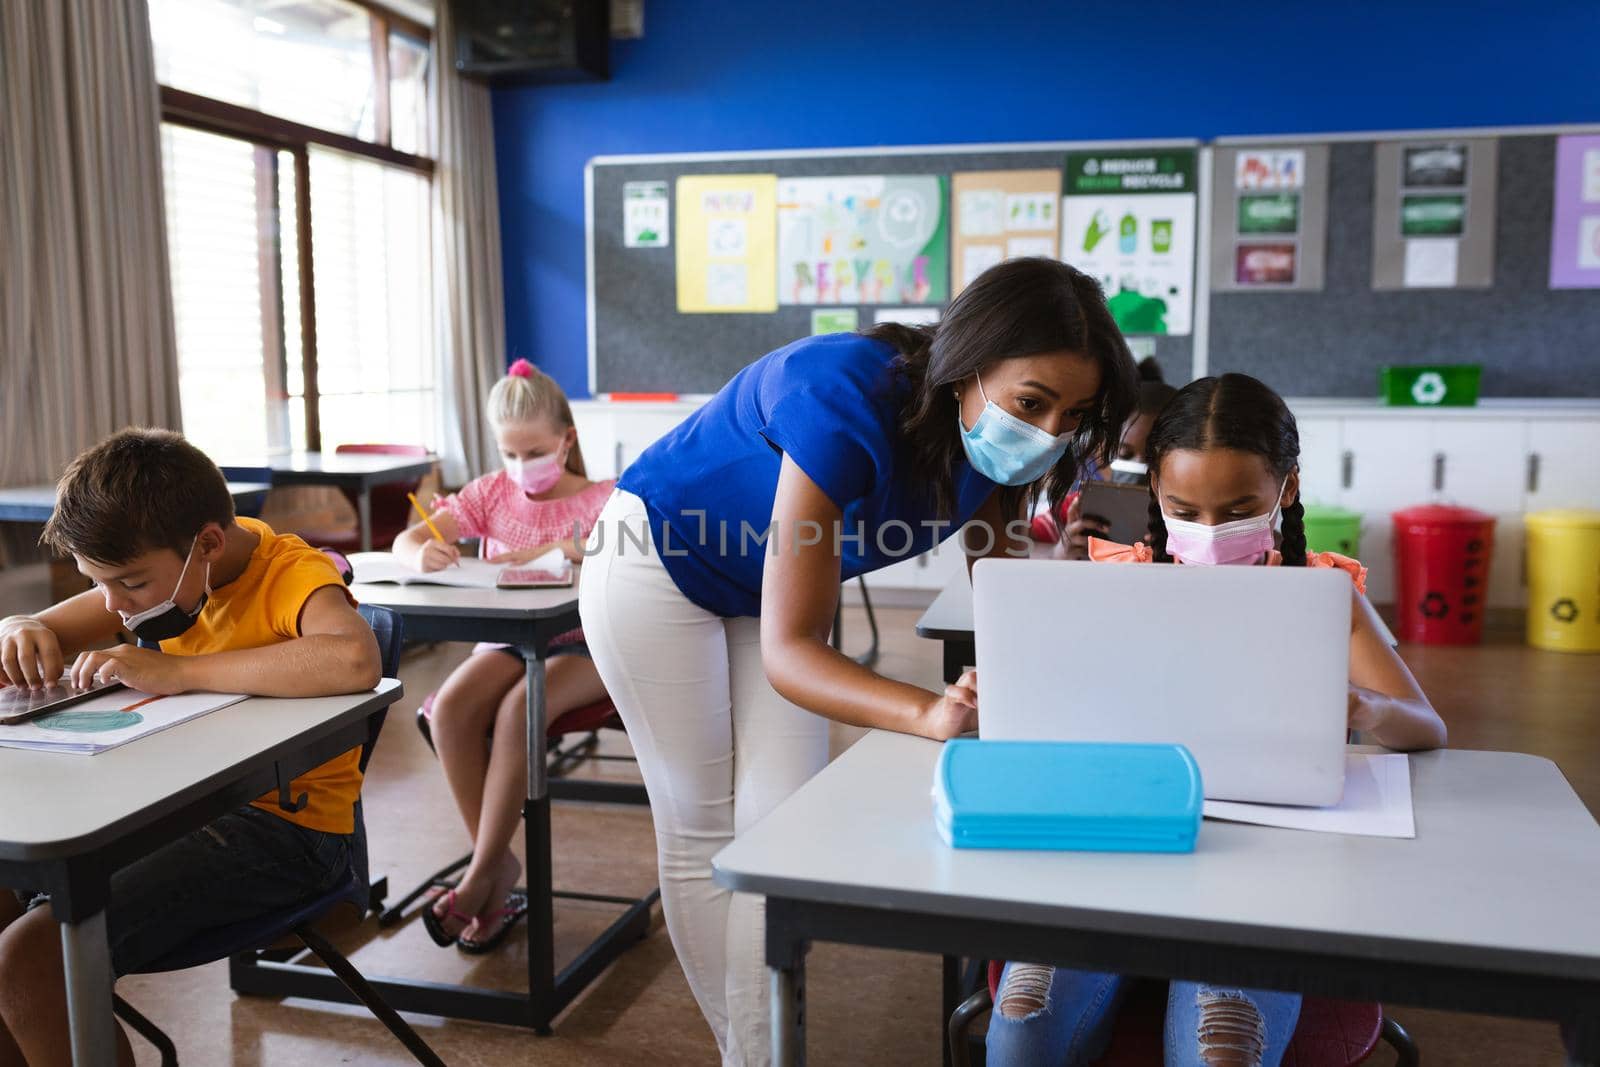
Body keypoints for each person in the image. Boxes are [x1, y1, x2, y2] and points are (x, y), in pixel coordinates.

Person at [579, 258, 1139, 1064]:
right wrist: (926, 709)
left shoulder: (1001, 454)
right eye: (1032, 402)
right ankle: (754, 1055)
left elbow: (1003, 595)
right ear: (969, 365)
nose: (1049, 432)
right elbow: (792, 651)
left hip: (759, 588)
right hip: (654, 565)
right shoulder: (840, 396)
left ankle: (757, 1051)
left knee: (779, 835)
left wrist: (1076, 669)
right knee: (703, 826)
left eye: (1072, 413)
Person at [987, 373, 1446, 1067]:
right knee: (1025, 1025)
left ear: (1286, 489)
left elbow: (1426, 726)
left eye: (1238, 509)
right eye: (1184, 508)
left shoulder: (1321, 594)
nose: (1208, 532)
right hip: (1110, 860)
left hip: (1263, 878)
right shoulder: (1113, 581)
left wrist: (1364, 706)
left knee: (1221, 1049)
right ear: (1155, 495)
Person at [0, 428, 381, 1065]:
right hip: (173, 809)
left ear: (206, 543)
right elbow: (46, 627)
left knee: (27, 963)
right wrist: (19, 625)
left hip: (284, 829)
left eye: (128, 586)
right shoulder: (161, 572)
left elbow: (352, 658)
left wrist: (177, 672)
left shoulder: (288, 572)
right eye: (101, 586)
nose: (116, 609)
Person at [391, 359, 614, 953]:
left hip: (587, 648)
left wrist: (563, 546)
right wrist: (420, 555)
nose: (520, 468)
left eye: (533, 451)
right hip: (511, 640)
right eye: (508, 453)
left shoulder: (607, 497)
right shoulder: (490, 492)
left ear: (566, 439)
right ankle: (498, 869)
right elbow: (408, 538)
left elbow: (636, 548)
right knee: (451, 708)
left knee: (521, 710)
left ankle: (477, 876)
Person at [1033, 354, 1178, 557]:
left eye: (1152, 457)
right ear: (1102, 453)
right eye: (1124, 455)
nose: (1140, 466)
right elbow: (1021, 541)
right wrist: (1061, 551)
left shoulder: (1192, 515)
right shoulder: (1077, 507)